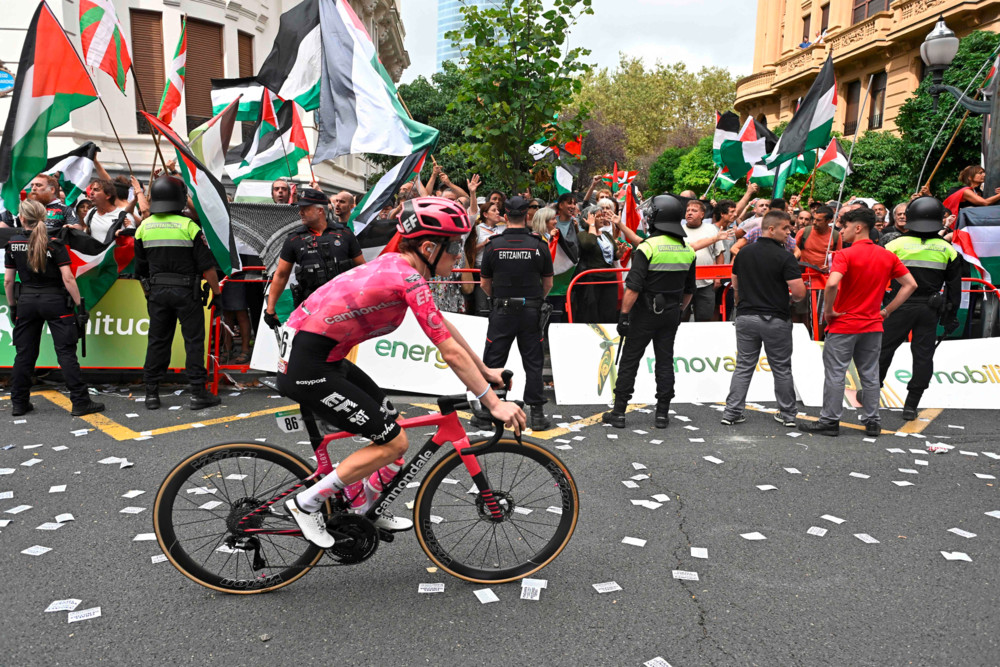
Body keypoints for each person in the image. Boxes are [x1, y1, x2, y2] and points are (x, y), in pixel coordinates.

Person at [278, 197, 526, 545]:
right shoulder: (405, 277)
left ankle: (364, 505)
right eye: (454, 246)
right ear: (427, 246)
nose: (459, 255)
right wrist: (492, 404)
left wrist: (484, 371)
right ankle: (307, 503)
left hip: (323, 358)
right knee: (393, 442)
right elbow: (448, 351)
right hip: (309, 365)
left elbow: (444, 329)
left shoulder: (400, 268)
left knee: (394, 429)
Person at [798, 208, 917, 437]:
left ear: (858, 227)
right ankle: (872, 420)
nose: (842, 231)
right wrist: (887, 311)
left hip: (844, 324)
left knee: (836, 374)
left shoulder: (845, 254)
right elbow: (910, 284)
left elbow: (832, 284)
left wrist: (830, 310)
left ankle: (830, 421)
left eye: (844, 227)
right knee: (870, 375)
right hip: (872, 323)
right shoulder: (887, 255)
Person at [602, 195, 696, 430]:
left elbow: (633, 287)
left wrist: (624, 316)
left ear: (656, 219)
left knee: (630, 360)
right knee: (664, 362)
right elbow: (689, 290)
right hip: (672, 313)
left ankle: (619, 413)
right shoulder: (688, 250)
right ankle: (662, 414)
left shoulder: (648, 247)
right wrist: (679, 311)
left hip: (644, 312)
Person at [3, 200, 104, 417]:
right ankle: (80, 401)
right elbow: (68, 278)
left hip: (27, 302)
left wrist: (13, 306)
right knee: (66, 353)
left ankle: (19, 403)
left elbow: (9, 282)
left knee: (24, 353)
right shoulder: (54, 243)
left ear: (22, 218)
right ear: (42, 216)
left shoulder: (13, 243)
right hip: (56, 301)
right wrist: (80, 306)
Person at [134, 176, 223, 411]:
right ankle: (197, 393)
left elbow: (140, 270)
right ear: (180, 198)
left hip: (157, 293)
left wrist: (149, 293)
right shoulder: (189, 226)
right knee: (193, 342)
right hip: (187, 293)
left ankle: (151, 394)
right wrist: (217, 293)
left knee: (157, 342)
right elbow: (207, 267)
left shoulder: (144, 227)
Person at [469, 195, 554, 431]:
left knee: (494, 360)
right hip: (531, 310)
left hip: (502, 309)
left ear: (505, 216)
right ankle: (537, 415)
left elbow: (484, 283)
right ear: (527, 215)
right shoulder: (539, 245)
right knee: (534, 362)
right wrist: (536, 301)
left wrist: (496, 298)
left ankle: (488, 413)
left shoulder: (494, 244)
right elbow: (547, 283)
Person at [878, 197, 962, 420]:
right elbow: (955, 290)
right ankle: (911, 405)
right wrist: (950, 317)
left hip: (897, 306)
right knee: (923, 356)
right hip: (929, 309)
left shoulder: (893, 245)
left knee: (883, 350)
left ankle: (870, 393)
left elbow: (875, 277)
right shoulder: (948, 250)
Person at [721, 210, 805, 427]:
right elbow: (799, 292)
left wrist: (741, 303)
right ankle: (787, 415)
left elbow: (735, 285)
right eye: (785, 228)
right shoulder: (785, 257)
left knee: (744, 366)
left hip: (747, 316)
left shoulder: (744, 253)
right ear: (771, 229)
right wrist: (788, 300)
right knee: (781, 368)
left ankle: (731, 413)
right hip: (776, 318)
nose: (789, 233)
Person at [264, 189, 365, 324]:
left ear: (320, 211)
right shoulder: (294, 239)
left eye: (305, 208)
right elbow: (281, 275)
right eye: (300, 208)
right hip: (310, 308)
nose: (300, 212)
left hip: (345, 306)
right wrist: (270, 310)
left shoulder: (345, 234)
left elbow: (362, 268)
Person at [573, 201, 623, 324]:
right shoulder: (583, 234)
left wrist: (620, 252)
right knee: (591, 313)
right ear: (589, 219)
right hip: (592, 280)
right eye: (598, 216)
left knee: (608, 313)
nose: (602, 218)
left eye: (602, 215)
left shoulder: (606, 234)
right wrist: (591, 226)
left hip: (610, 279)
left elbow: (614, 256)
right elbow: (589, 244)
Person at [682, 199, 725, 322]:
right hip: (683, 282)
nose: (689, 213)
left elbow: (719, 254)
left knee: (705, 318)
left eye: (694, 210)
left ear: (702, 215)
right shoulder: (678, 231)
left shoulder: (711, 229)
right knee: (681, 317)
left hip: (706, 283)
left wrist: (718, 277)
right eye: (688, 210)